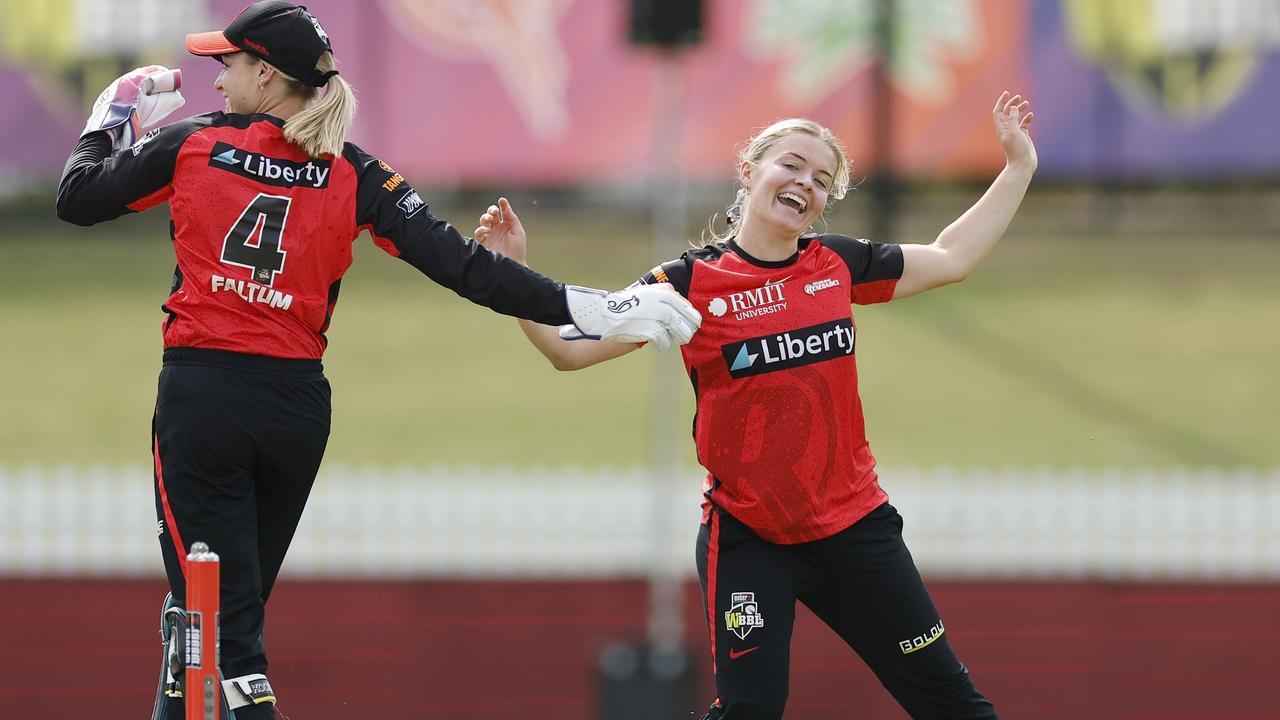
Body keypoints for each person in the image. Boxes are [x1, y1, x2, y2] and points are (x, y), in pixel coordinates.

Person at [55, 2, 700, 718]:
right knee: (212, 619)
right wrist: (589, 304)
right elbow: (468, 268)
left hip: (204, 398)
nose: (217, 81)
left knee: (223, 635)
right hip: (295, 411)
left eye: (227, 65)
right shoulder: (357, 173)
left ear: (265, 74)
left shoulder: (196, 144)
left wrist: (110, 118)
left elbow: (77, 199)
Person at [475, 92, 1037, 719]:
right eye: (792, 165)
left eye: (822, 180)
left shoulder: (837, 264)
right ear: (749, 171)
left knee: (952, 704)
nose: (805, 184)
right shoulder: (686, 285)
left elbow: (951, 258)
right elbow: (569, 350)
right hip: (750, 541)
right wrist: (513, 273)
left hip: (856, 531)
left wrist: (1016, 170)